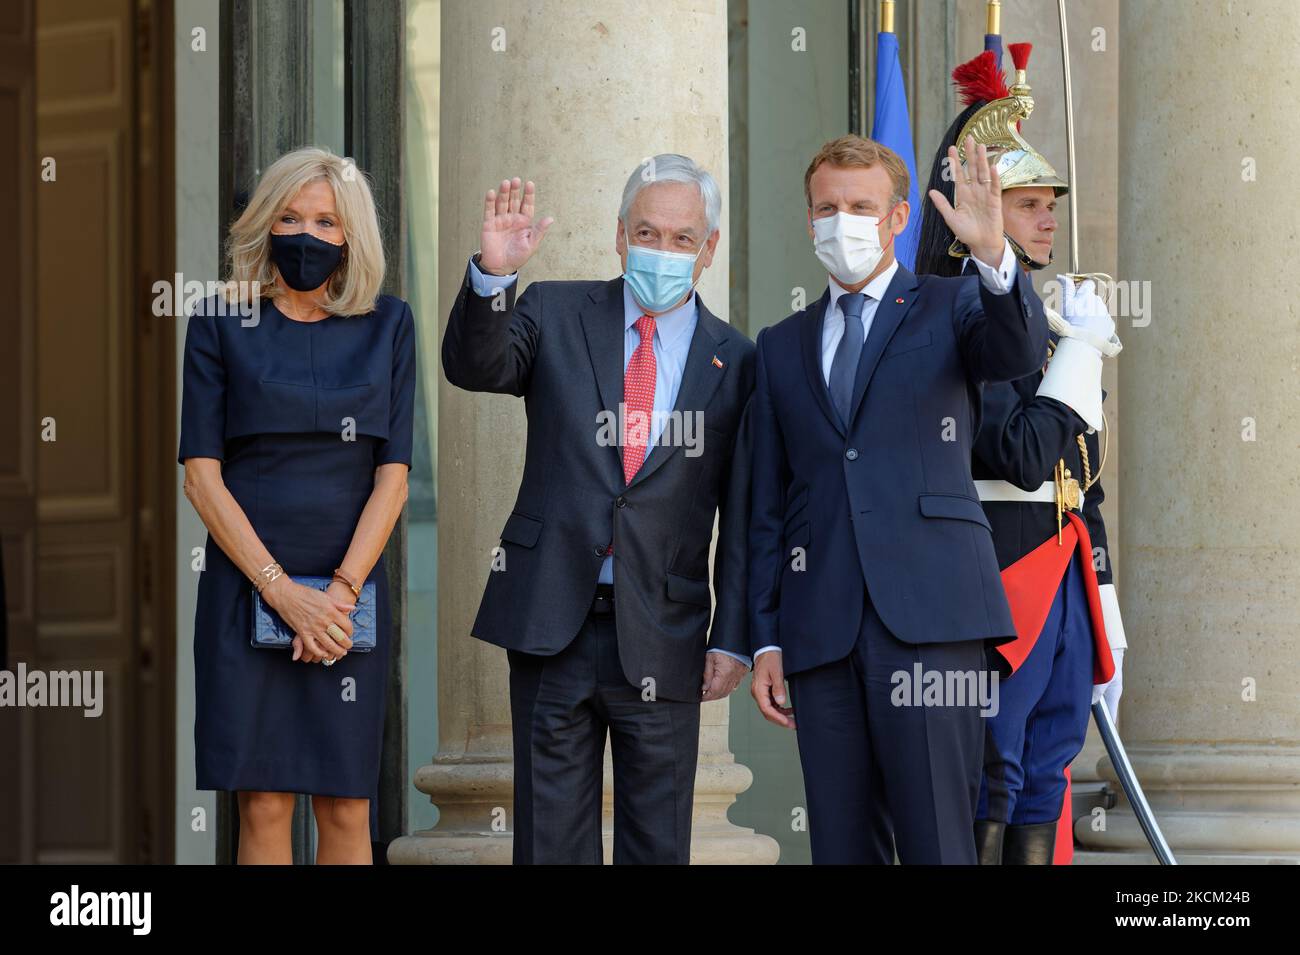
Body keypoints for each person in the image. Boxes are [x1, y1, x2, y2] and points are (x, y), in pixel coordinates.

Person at [441, 156, 754, 864]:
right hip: (553, 620)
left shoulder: (735, 360)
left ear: (707, 250)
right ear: (619, 236)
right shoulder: (553, 310)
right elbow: (475, 365)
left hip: (664, 633)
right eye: (648, 231)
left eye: (681, 238)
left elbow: (742, 513)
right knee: (550, 842)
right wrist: (494, 276)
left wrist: (732, 635)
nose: (662, 250)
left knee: (657, 843)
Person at [747, 133, 1048, 864]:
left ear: (898, 216)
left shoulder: (950, 304)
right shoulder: (780, 344)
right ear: (808, 218)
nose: (841, 220)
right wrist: (765, 635)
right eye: (827, 206)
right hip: (821, 630)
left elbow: (1013, 352)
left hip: (933, 617)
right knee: (842, 846)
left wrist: (994, 260)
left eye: (860, 205)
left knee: (940, 840)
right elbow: (765, 501)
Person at [916, 44, 1125, 865]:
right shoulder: (963, 310)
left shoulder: (1045, 315)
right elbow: (1019, 453)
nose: (1047, 218)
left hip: (1062, 571)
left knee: (1048, 766)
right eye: (1027, 201)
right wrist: (1078, 360)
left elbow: (1083, 479)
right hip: (998, 577)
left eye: (1049, 203)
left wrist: (1102, 588)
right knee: (994, 771)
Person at [179, 146, 415, 864]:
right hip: (247, 587)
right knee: (265, 800)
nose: (305, 234)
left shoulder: (388, 325)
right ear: (263, 224)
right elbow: (201, 476)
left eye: (324, 220)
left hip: (349, 602)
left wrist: (335, 596)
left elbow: (394, 477)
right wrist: (282, 592)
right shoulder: (220, 321)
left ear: (351, 237)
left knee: (347, 803)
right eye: (289, 216)